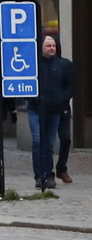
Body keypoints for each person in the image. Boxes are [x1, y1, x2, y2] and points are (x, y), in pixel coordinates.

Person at [35, 34, 75, 189]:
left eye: (54, 46)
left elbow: (71, 85)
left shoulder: (65, 65)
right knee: (46, 142)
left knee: (65, 138)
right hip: (44, 108)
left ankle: (61, 168)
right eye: (48, 46)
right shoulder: (38, 64)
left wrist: (63, 98)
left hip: (62, 107)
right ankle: (47, 172)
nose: (52, 48)